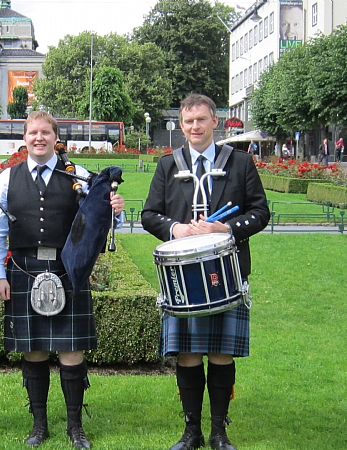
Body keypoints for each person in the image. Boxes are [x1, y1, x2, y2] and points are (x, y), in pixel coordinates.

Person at [0, 111, 125, 449]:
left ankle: (75, 426)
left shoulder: (76, 176)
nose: (39, 138)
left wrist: (115, 211)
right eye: (33, 132)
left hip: (67, 270)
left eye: (45, 132)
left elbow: (99, 220)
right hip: (23, 270)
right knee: (33, 351)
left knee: (71, 350)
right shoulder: (8, 178)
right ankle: (39, 425)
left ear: (55, 138)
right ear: (24, 138)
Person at [141, 94, 270, 450]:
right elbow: (149, 214)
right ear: (181, 127)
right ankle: (191, 431)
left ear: (215, 121)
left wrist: (226, 228)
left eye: (201, 120)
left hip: (227, 275)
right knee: (187, 354)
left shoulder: (240, 162)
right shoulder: (169, 165)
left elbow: (260, 212)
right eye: (188, 122)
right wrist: (176, 229)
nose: (195, 127)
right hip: (182, 278)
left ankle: (218, 432)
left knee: (220, 353)